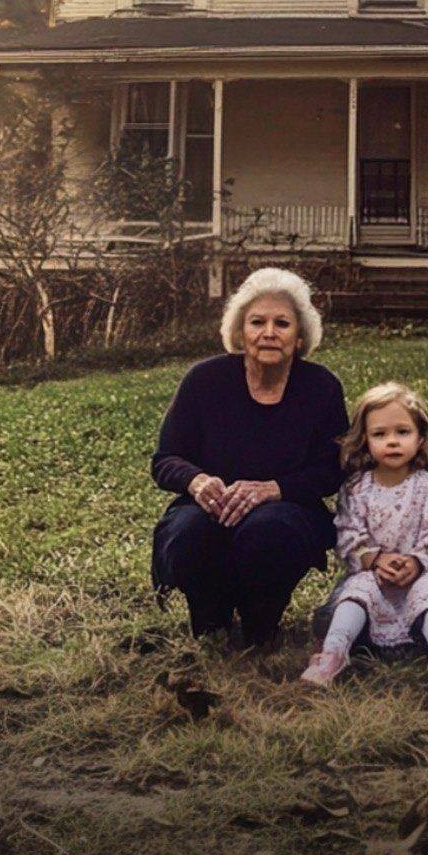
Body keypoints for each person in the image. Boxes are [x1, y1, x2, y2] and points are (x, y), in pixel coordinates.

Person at [150, 267, 347, 648]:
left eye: (282, 323)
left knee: (270, 531)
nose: (269, 332)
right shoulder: (203, 380)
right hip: (210, 503)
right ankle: (210, 620)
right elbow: (166, 458)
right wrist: (197, 480)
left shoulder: (321, 387)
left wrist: (275, 488)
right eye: (257, 322)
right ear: (240, 332)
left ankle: (262, 622)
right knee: (189, 532)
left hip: (287, 506)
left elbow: (335, 466)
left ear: (300, 334)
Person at [300, 382, 428, 696]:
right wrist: (375, 559)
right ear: (365, 441)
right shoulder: (356, 489)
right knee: (357, 589)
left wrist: (417, 562)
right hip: (377, 579)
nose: (392, 442)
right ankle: (332, 656)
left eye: (402, 432)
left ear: (421, 437)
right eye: (380, 434)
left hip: (425, 573)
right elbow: (349, 534)